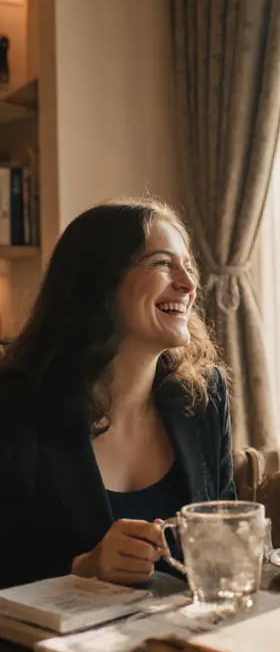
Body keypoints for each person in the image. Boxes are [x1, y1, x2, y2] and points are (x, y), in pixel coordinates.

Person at [0, 199, 233, 589]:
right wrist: (82, 567)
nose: (189, 285)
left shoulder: (204, 393)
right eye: (162, 263)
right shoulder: (15, 405)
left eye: (188, 266)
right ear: (98, 283)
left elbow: (227, 523)